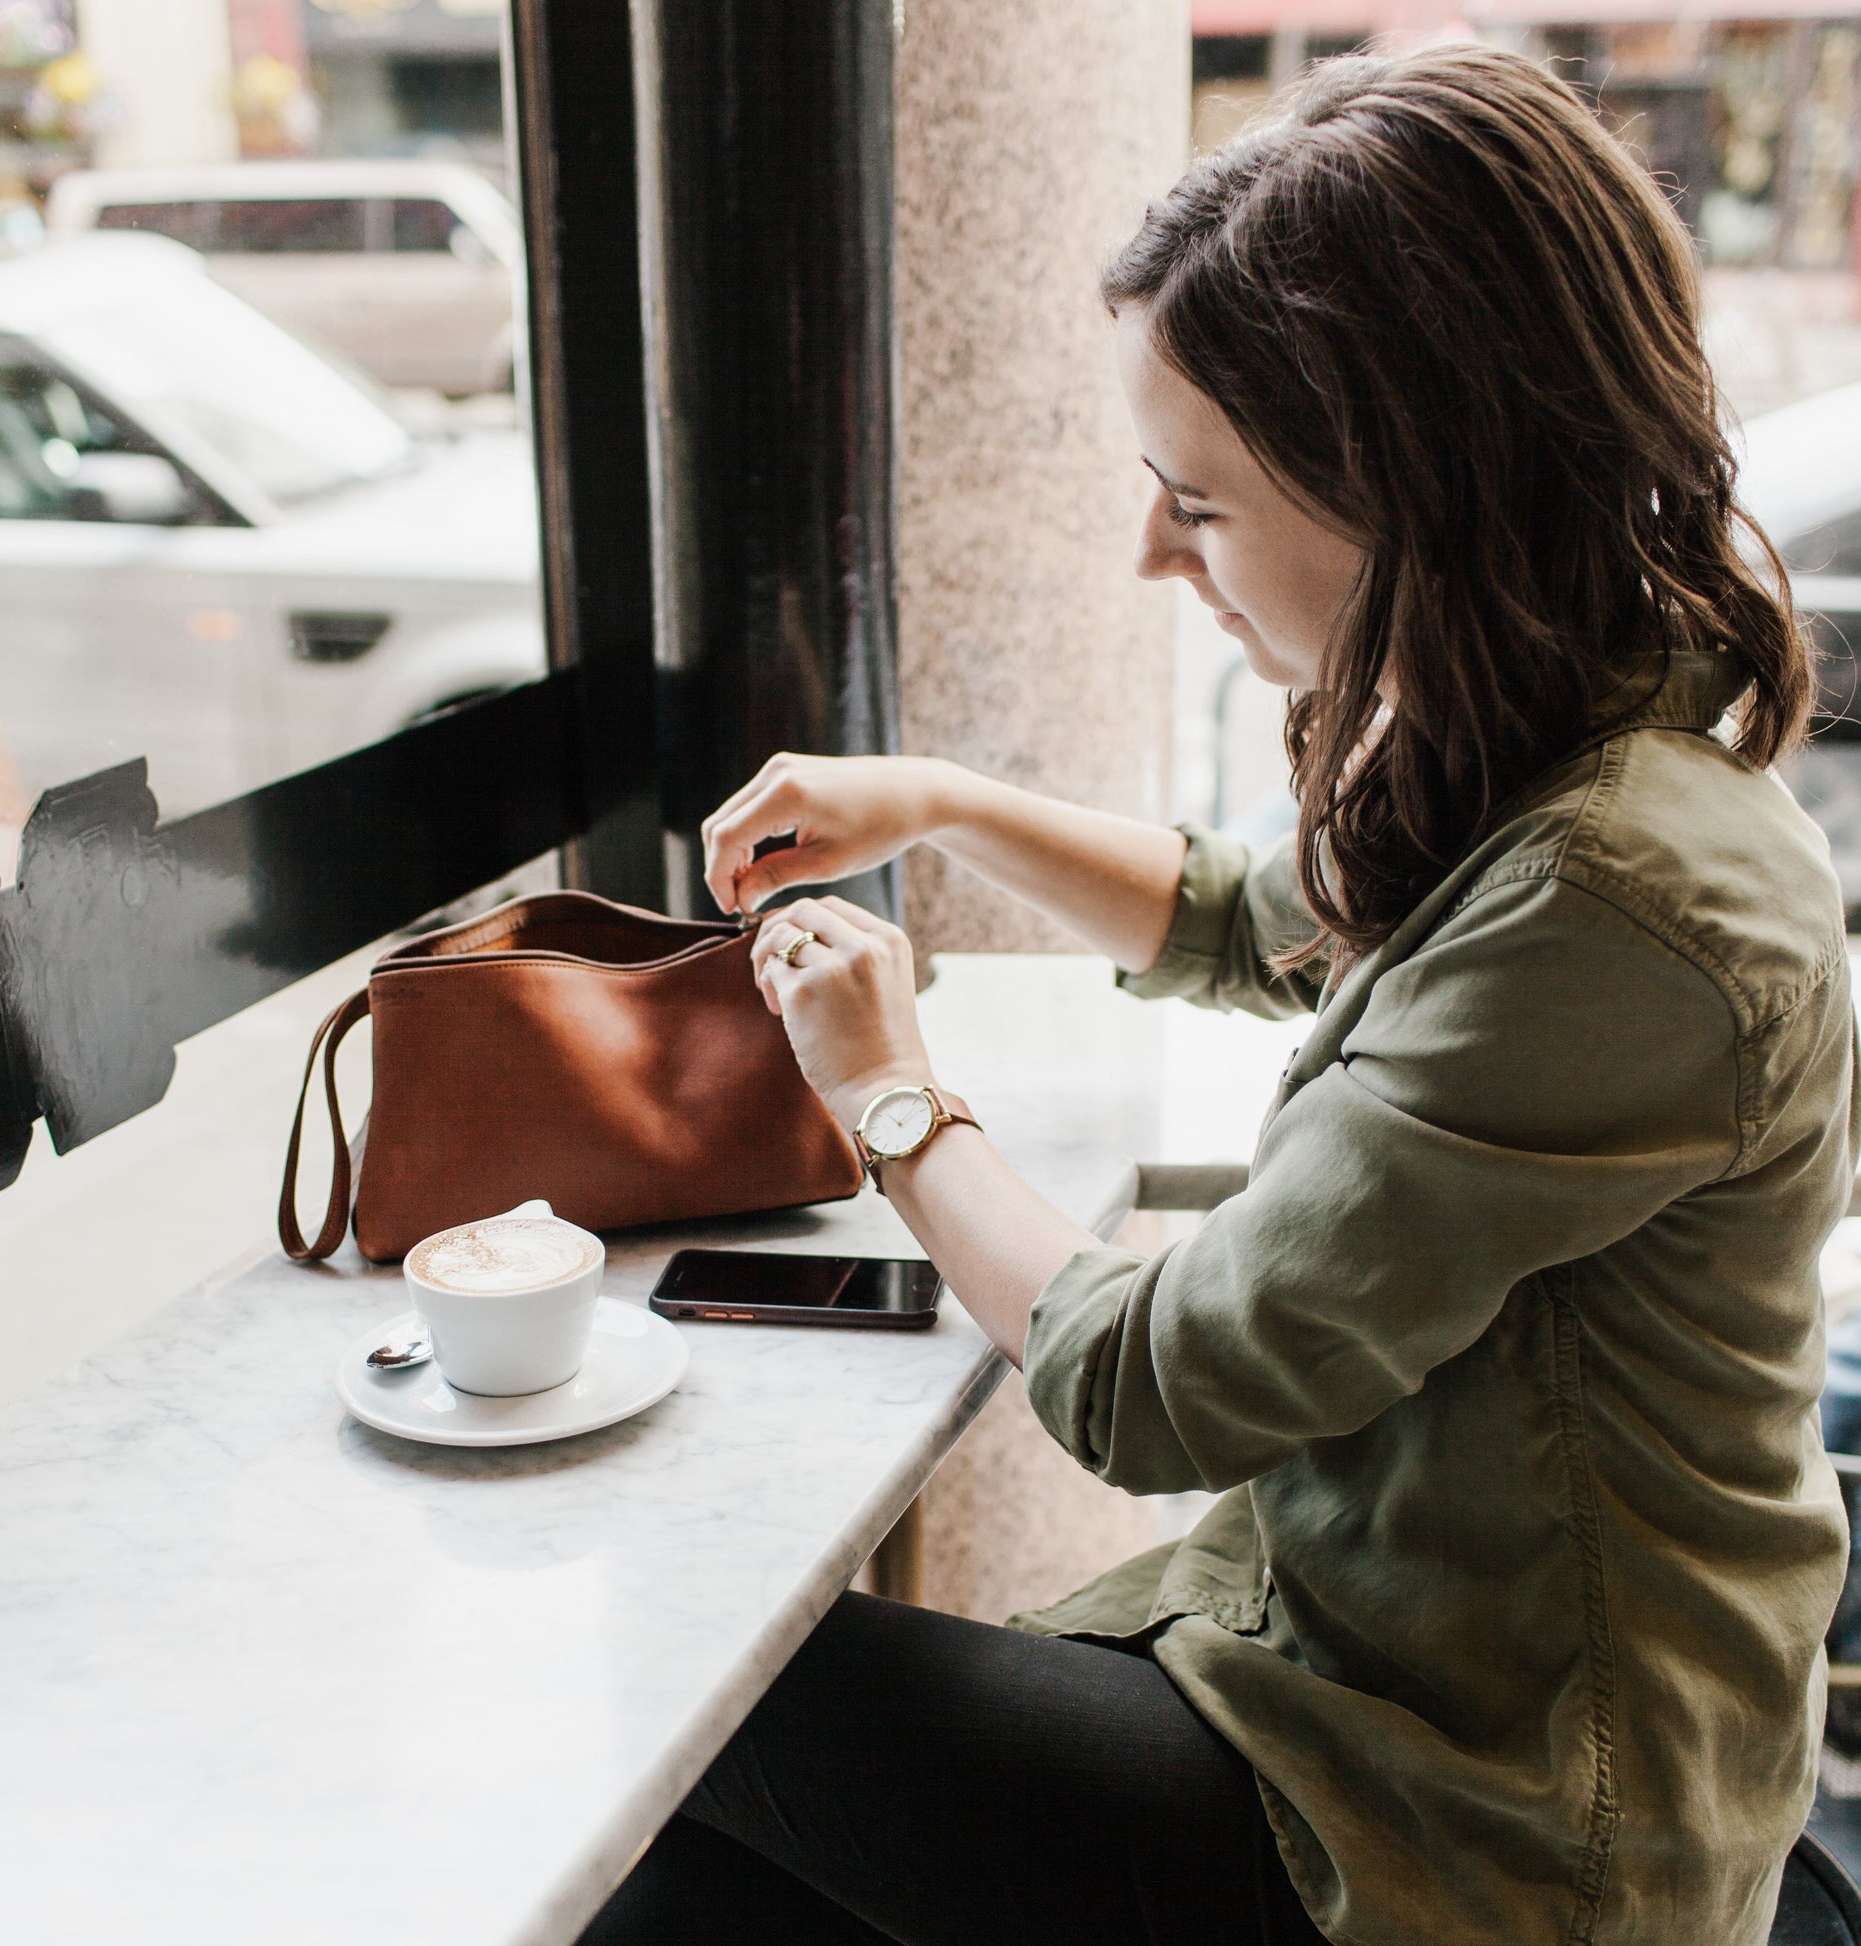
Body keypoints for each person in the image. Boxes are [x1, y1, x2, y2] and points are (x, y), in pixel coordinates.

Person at [582, 45, 1854, 1946]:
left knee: (660, 1682)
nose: (1147, 551)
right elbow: (1272, 917)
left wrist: (891, 1096)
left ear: (1409, 486)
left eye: (1196, 500)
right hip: (1380, 1695)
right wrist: (929, 799)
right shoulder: (1582, 726)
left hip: (1480, 1836)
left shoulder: (1619, 899)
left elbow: (1159, 1382)